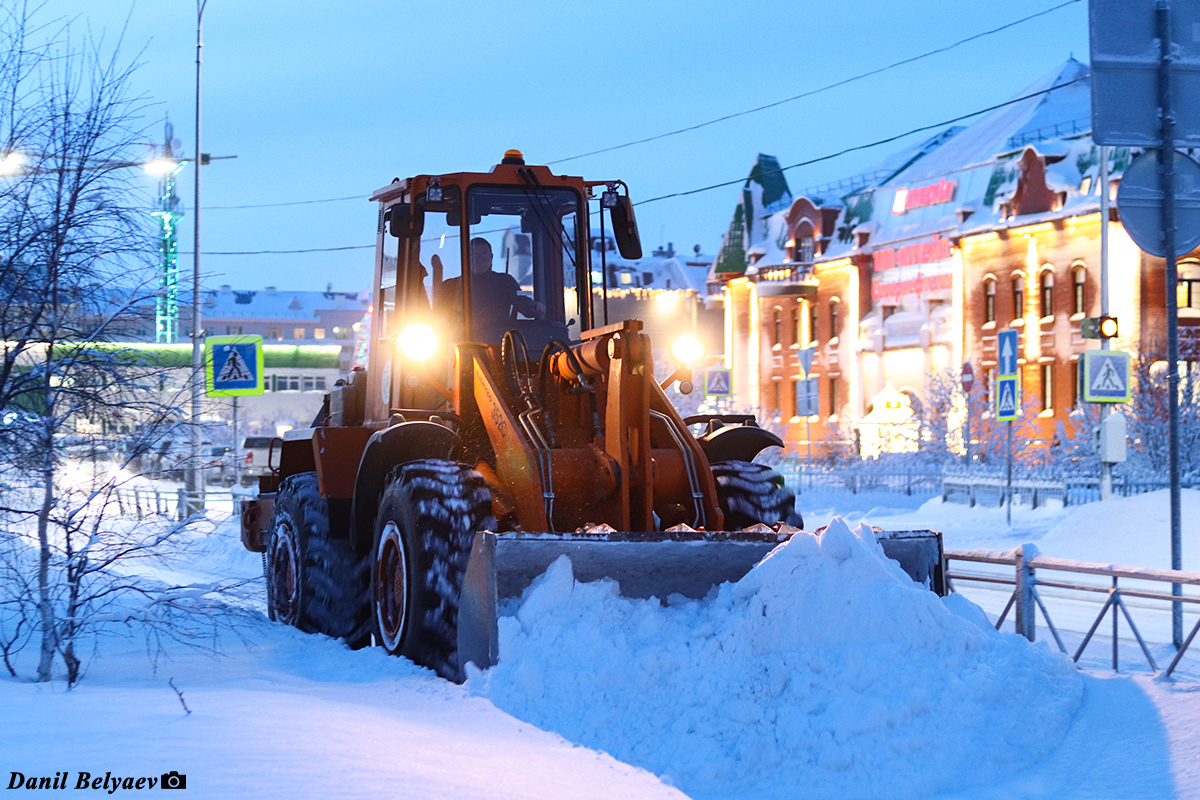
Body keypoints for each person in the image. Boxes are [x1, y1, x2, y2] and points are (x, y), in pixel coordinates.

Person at [439, 237, 543, 340]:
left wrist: (535, 308)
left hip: (497, 343)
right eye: (474, 255)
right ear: (465, 257)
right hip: (459, 342)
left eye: (484, 255)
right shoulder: (451, 286)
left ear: (491, 257)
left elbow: (523, 305)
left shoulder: (505, 282)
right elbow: (438, 318)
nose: (479, 259)